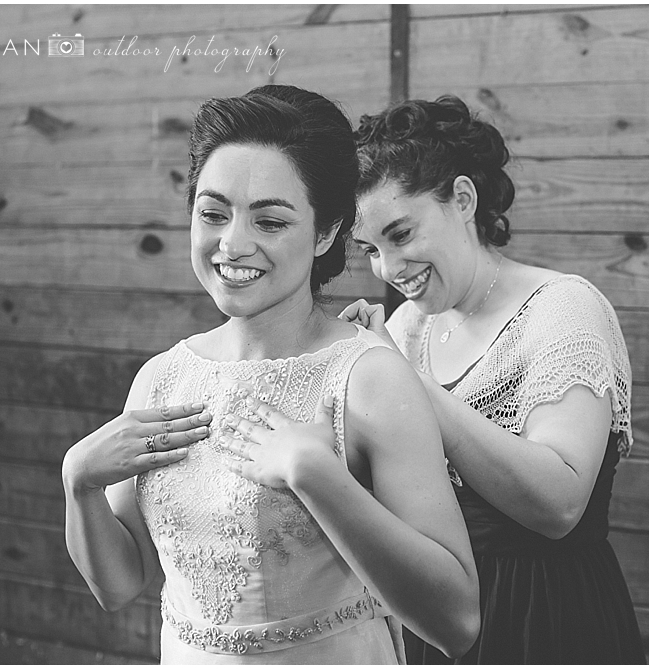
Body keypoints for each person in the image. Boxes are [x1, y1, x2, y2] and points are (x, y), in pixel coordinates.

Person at [62, 85, 479, 664]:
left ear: (327, 232)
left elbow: (456, 622)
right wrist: (79, 482)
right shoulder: (163, 378)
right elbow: (118, 584)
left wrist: (318, 476)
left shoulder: (368, 377)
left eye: (271, 221)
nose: (233, 244)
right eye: (213, 214)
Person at [341, 95, 646, 664]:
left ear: (462, 199)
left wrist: (406, 384)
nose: (388, 269)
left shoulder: (562, 310)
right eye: (370, 250)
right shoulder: (404, 330)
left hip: (548, 617)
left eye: (401, 234)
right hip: (438, 623)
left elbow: (557, 506)